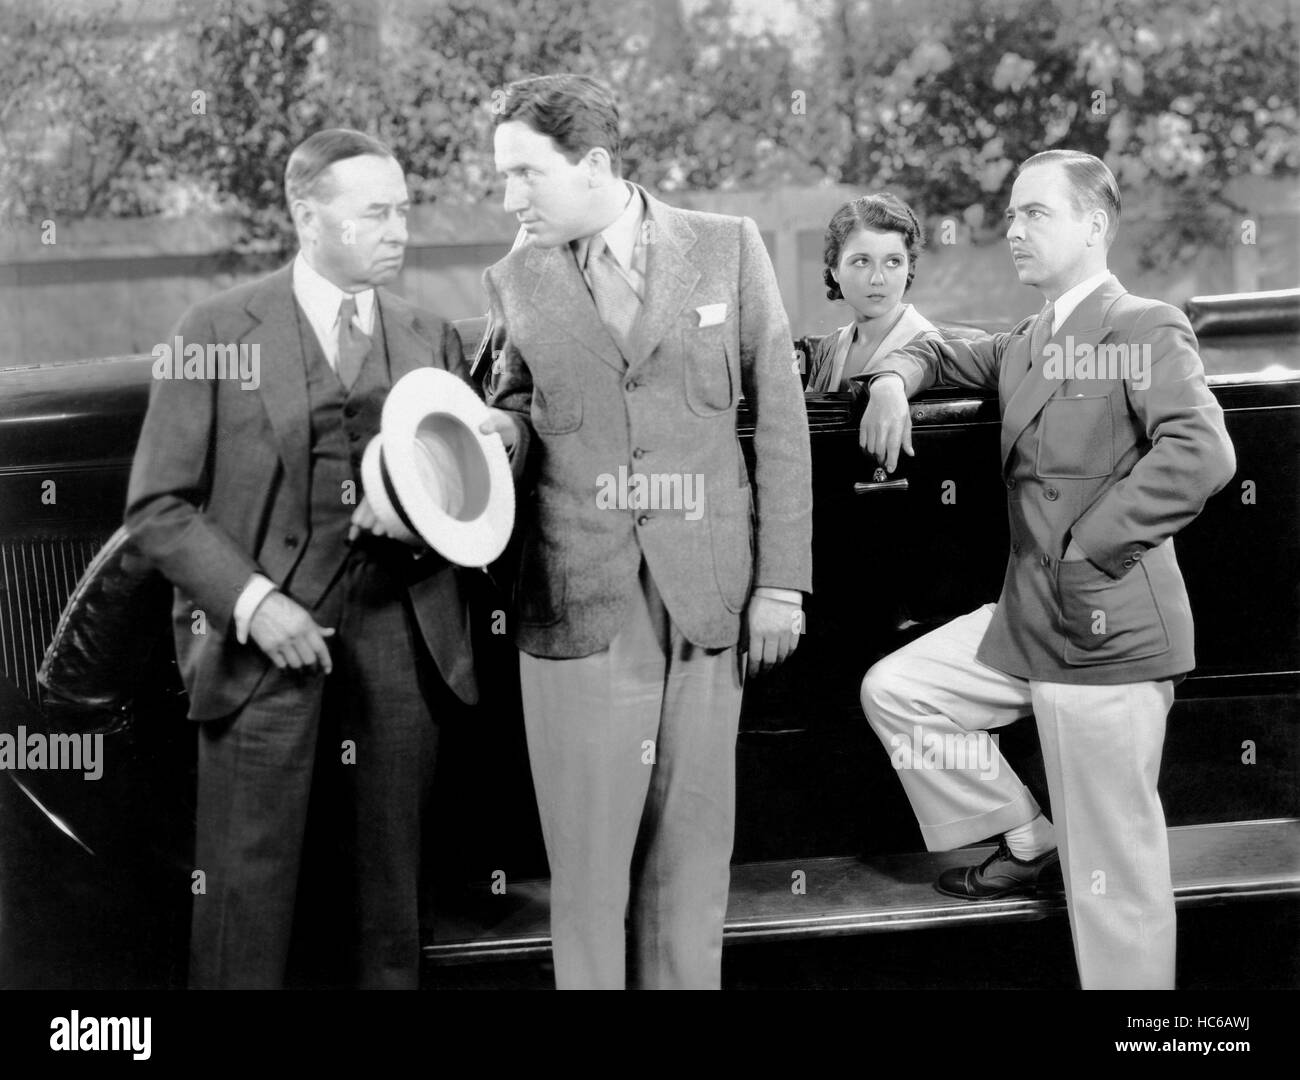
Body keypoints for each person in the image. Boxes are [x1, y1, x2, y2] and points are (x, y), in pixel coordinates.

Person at [126, 128, 510, 989]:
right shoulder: (214, 329)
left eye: (404, 210)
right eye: (374, 212)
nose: (399, 230)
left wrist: (426, 515)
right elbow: (158, 508)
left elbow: (473, 498)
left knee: (390, 926)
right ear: (307, 214)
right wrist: (257, 602)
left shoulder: (431, 336)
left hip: (403, 654)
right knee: (243, 920)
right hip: (258, 659)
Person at [856, 149, 1235, 989]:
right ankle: (1030, 836)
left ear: (1094, 227)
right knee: (901, 691)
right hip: (1030, 624)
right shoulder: (1028, 341)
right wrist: (888, 378)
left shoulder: (1141, 325)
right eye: (1013, 213)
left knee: (1117, 889)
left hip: (1107, 633)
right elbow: (939, 354)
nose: (1013, 230)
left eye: (1036, 214)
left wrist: (1089, 546)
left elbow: (1203, 453)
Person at [482, 73, 813, 989]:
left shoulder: (727, 248)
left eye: (525, 175)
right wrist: (493, 430)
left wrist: (781, 583)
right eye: (502, 178)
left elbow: (780, 422)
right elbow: (515, 408)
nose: (510, 199)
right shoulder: (514, 279)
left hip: (707, 600)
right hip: (576, 599)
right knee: (587, 877)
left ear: (593, 164)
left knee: (692, 862)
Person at [805, 192, 941, 393]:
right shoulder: (829, 348)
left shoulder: (931, 347)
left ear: (909, 267)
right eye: (862, 261)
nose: (878, 278)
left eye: (893, 262)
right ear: (835, 269)